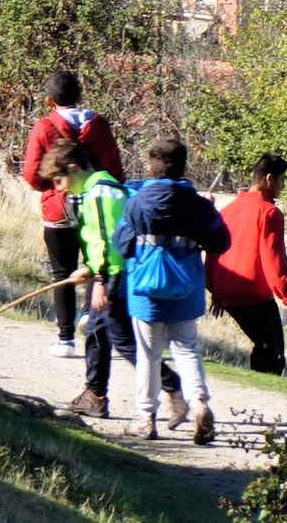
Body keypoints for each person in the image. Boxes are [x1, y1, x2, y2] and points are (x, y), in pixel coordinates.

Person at [39, 138, 181, 420]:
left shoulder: (101, 194)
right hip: (107, 272)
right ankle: (95, 395)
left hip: (114, 275)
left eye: (59, 180)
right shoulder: (100, 188)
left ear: (74, 168)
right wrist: (90, 268)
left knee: (123, 340)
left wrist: (99, 278)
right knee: (96, 331)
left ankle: (173, 386)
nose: (59, 188)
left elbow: (109, 240)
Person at [112, 135, 229, 443]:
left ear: (152, 167)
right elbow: (221, 242)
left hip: (147, 292)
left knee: (148, 354)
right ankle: (199, 404)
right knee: (187, 349)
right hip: (186, 288)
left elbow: (122, 245)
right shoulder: (198, 206)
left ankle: (146, 418)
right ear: (182, 166)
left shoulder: (137, 203)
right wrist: (207, 217)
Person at [21, 70, 123, 358]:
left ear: (48, 100)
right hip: (95, 205)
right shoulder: (99, 124)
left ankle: (65, 338)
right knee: (94, 262)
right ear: (81, 95)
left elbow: (31, 172)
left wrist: (52, 186)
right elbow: (114, 169)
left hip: (58, 209)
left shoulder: (44, 126)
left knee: (62, 272)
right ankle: (89, 314)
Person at [210, 152, 287, 375]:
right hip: (253, 295)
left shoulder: (226, 211)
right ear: (269, 179)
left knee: (267, 348)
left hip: (230, 293)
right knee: (272, 354)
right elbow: (274, 259)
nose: (282, 185)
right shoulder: (269, 213)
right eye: (281, 180)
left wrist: (216, 292)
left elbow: (214, 253)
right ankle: (265, 402)